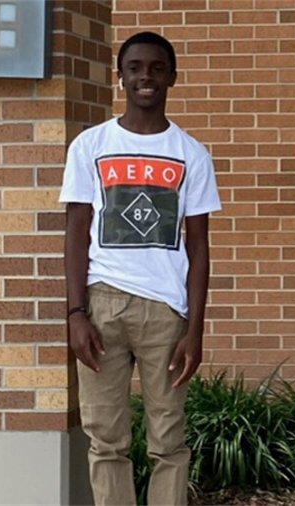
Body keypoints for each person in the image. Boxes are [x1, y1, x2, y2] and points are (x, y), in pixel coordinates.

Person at [60, 31, 220, 506]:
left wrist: (196, 327)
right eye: (134, 68)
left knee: (168, 440)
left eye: (155, 68)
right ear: (121, 76)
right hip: (102, 302)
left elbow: (199, 245)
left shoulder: (192, 153)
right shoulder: (90, 145)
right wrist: (75, 312)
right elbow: (75, 231)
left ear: (172, 76)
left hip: (165, 311)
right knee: (106, 439)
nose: (144, 77)